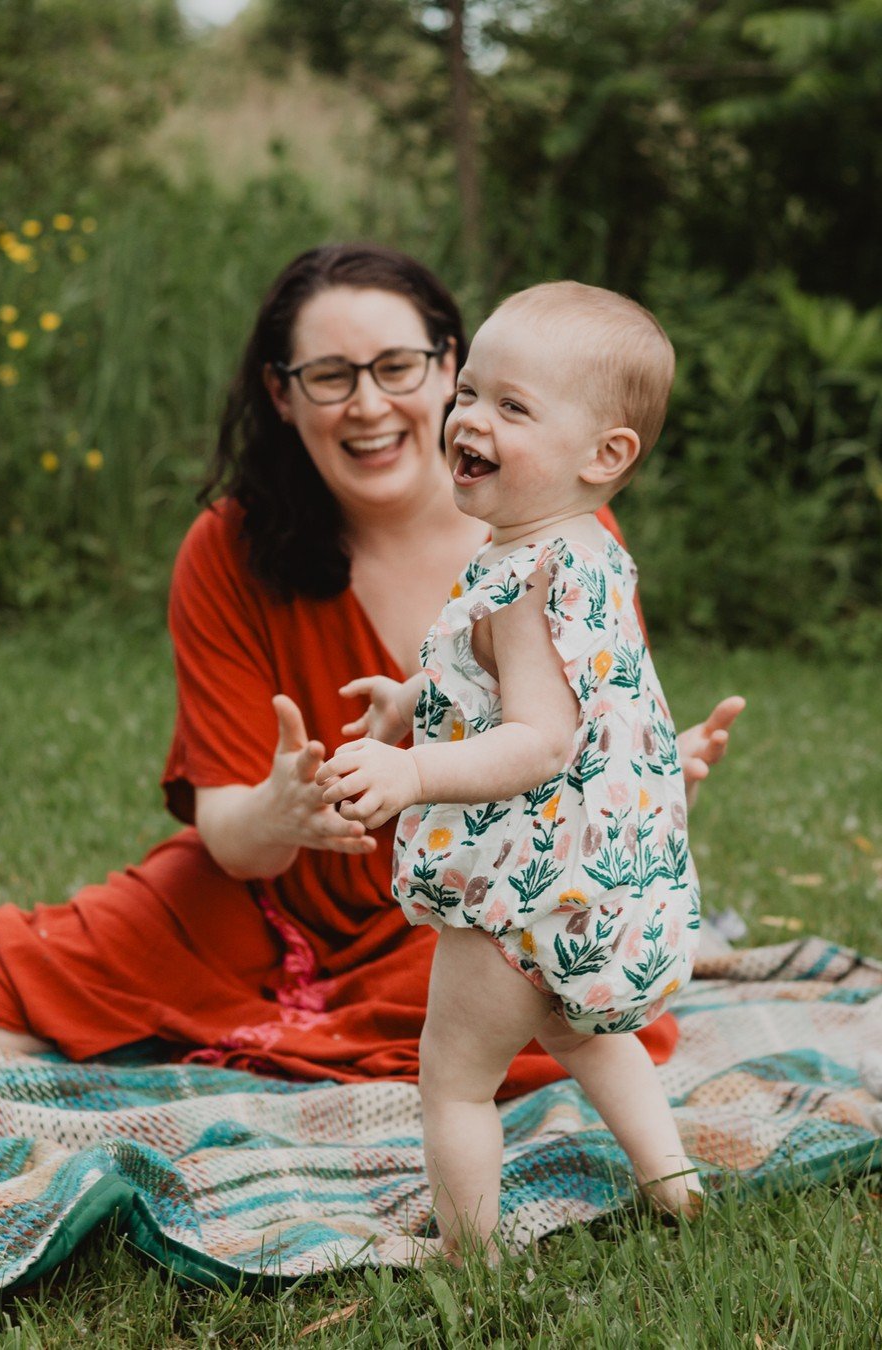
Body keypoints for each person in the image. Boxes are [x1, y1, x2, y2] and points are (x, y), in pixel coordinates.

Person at [0, 245, 743, 1105]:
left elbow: (567, 744)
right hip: (267, 898)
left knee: (545, 1005)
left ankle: (302, 1052)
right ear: (282, 395)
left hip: (467, 885)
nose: (368, 404)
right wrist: (282, 813)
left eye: (397, 366)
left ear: (447, 366)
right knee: (3, 990)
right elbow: (229, 835)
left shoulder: (565, 539)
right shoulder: (228, 549)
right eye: (329, 377)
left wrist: (650, 774)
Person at [316, 281, 705, 1257]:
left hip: (516, 894)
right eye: (469, 393)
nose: (470, 419)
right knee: (583, 1033)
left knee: (455, 1081)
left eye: (513, 406)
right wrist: (414, 699)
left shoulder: (519, 585)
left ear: (604, 454)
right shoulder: (586, 553)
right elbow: (548, 690)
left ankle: (473, 1261)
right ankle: (673, 1182)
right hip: (601, 880)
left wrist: (411, 773)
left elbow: (537, 738)